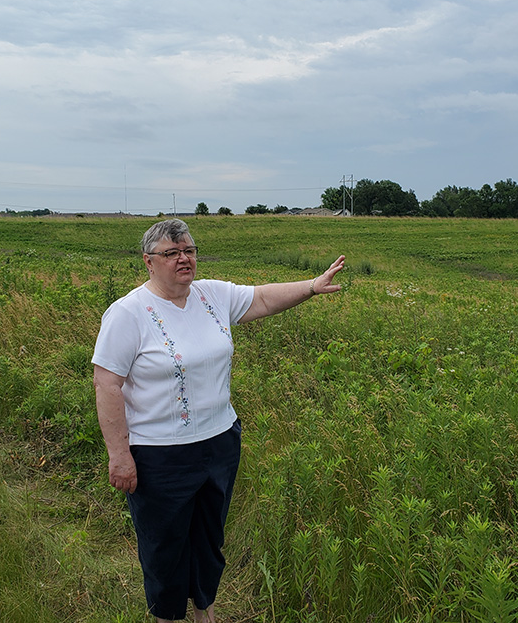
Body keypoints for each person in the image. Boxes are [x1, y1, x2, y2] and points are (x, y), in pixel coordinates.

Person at [93, 218, 344, 622]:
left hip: (219, 444)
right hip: (159, 455)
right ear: (149, 262)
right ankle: (168, 615)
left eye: (189, 250)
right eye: (171, 253)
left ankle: (203, 610)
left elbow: (262, 299)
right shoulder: (128, 314)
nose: (183, 259)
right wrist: (119, 455)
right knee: (164, 546)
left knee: (209, 539)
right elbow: (107, 384)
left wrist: (311, 286)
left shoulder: (212, 295)